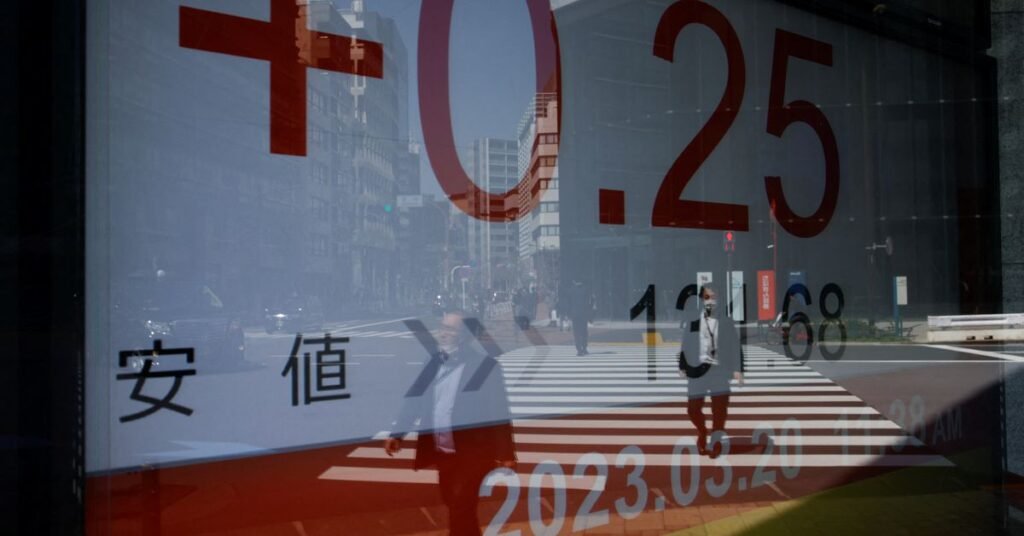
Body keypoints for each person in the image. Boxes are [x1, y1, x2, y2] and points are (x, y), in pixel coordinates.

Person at [384, 310, 517, 536]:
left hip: (474, 451)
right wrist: (397, 434)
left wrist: (506, 453)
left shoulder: (485, 367)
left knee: (460, 505)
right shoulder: (432, 362)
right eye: (443, 327)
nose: (443, 333)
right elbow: (415, 401)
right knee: (452, 501)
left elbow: (498, 411)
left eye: (451, 329)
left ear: (464, 335)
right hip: (443, 448)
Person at [679, 285, 744, 457]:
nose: (711, 301)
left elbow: (735, 346)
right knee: (692, 409)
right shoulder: (693, 320)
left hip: (719, 370)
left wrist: (738, 369)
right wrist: (682, 365)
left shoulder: (726, 321)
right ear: (702, 300)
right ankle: (702, 431)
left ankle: (715, 441)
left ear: (719, 300)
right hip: (697, 370)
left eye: (714, 297)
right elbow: (686, 342)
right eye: (707, 297)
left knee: (719, 410)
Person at [567, 279, 593, 356]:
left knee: (576, 332)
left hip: (574, 314)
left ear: (574, 281)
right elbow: (588, 303)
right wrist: (589, 314)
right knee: (584, 331)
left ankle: (579, 349)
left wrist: (568, 314)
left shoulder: (571, 290)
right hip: (583, 313)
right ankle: (584, 348)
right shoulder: (585, 289)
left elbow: (569, 303)